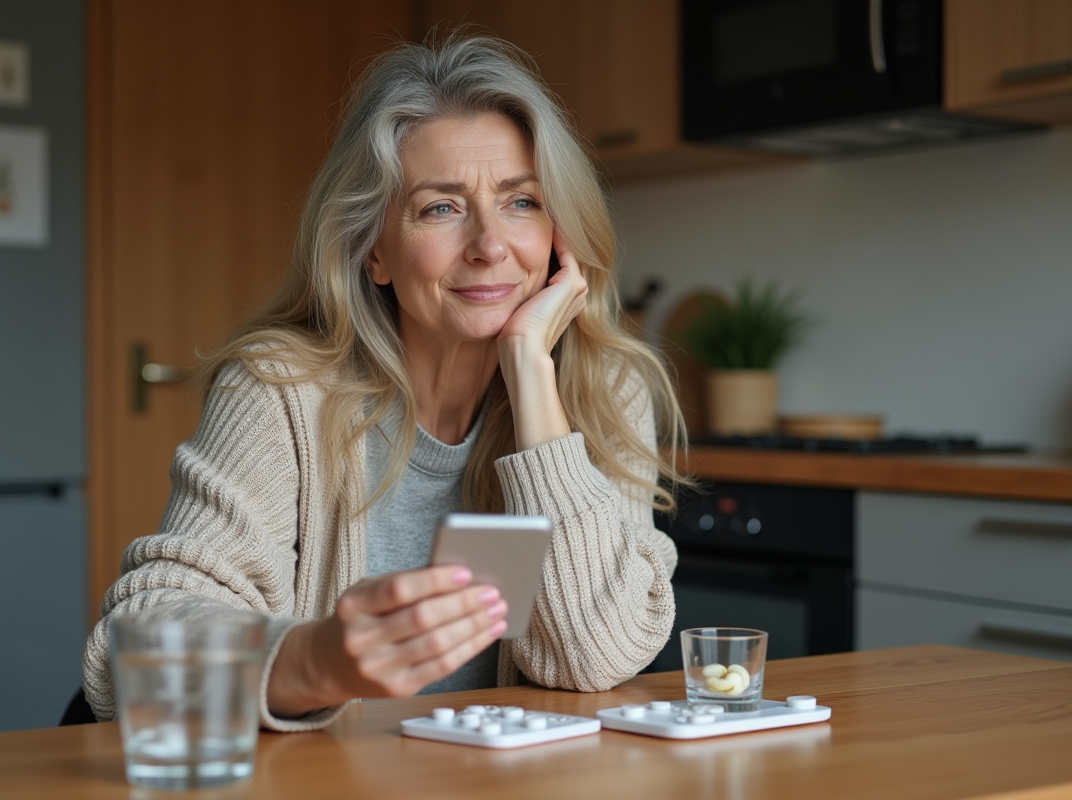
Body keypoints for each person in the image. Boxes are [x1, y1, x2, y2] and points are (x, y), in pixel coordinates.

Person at [82, 33, 688, 732]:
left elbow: (595, 658)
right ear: (375, 251)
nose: (491, 244)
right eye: (441, 207)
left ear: (559, 234)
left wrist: (529, 370)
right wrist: (319, 661)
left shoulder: (601, 389)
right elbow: (142, 647)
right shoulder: (281, 391)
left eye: (522, 202)